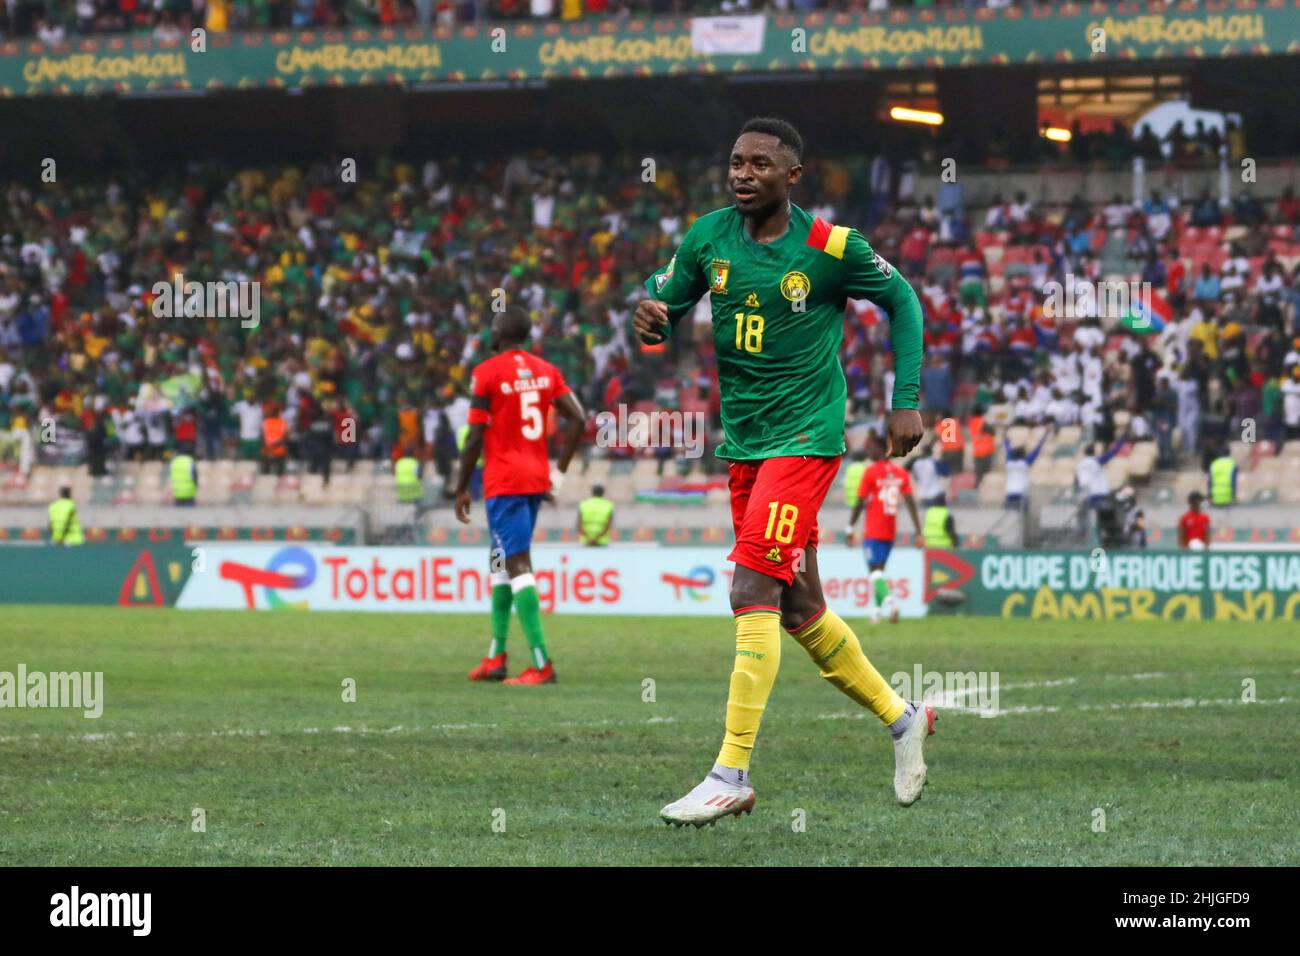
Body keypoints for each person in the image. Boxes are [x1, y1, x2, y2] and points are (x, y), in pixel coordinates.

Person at [635, 117, 935, 827]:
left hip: (806, 440)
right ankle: (903, 719)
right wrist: (650, 317)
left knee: (749, 586)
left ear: (791, 176)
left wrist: (906, 401)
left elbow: (904, 301)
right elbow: (665, 302)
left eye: (759, 164)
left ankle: (730, 771)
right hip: (746, 443)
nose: (742, 174)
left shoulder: (832, 247)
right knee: (799, 607)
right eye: (735, 161)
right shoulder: (708, 236)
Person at [454, 306, 585, 686]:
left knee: (517, 564)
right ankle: (496, 656)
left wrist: (462, 486)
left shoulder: (486, 374)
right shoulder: (546, 371)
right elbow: (578, 418)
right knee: (499, 561)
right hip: (535, 478)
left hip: (505, 481)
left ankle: (542, 663)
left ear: (498, 332)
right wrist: (557, 474)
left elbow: (475, 435)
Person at [846, 432, 922, 625]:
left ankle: (891, 603)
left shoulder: (870, 472)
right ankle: (876, 613)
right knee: (879, 573)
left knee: (874, 573)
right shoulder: (901, 473)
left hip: (873, 530)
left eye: (872, 447)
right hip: (890, 531)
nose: (869, 450)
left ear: (881, 449)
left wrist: (849, 527)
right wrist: (919, 531)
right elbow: (911, 503)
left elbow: (860, 502)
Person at [1004, 430, 1049, 508]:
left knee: (1010, 517)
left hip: (1010, 492)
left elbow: (1008, 449)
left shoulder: (1009, 464)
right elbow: (1036, 450)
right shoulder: (1025, 464)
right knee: (1023, 517)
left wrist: (1006, 439)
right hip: (1022, 493)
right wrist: (1045, 436)